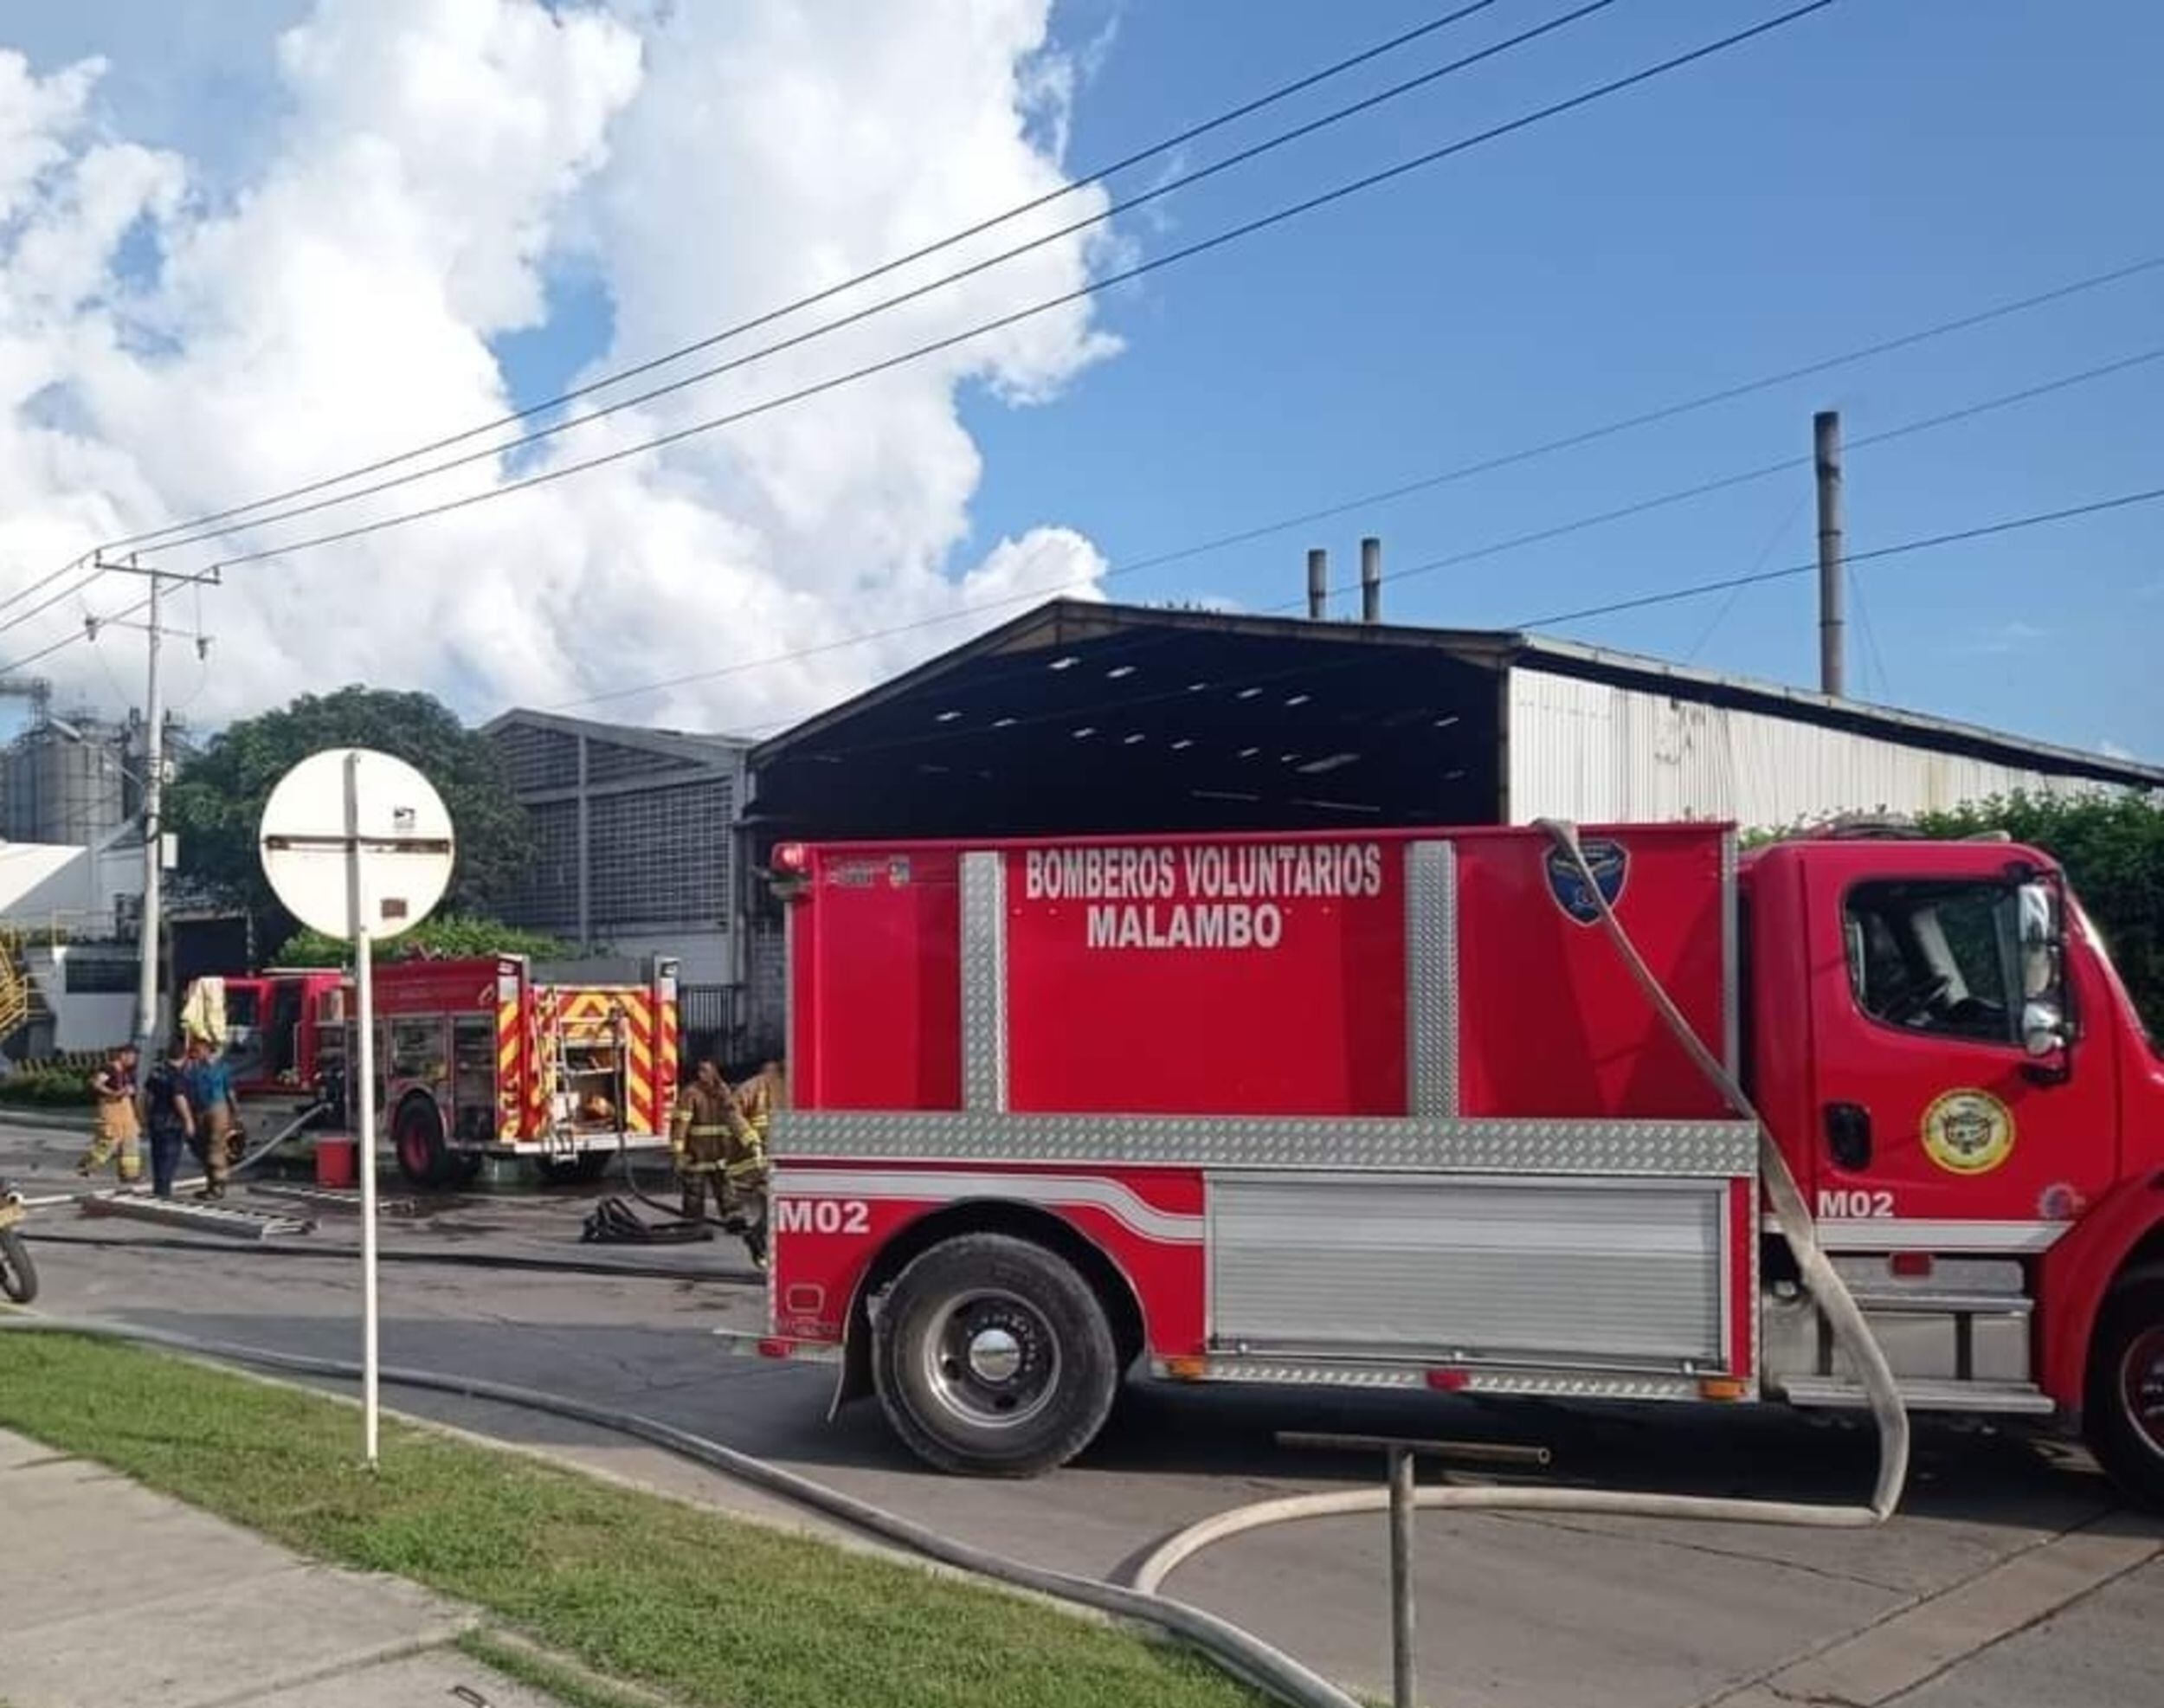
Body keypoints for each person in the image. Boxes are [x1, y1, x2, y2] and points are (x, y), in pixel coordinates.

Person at [670, 1060, 766, 1267]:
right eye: (700, 1071)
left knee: (726, 1190)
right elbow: (681, 1123)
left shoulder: (724, 1092)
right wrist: (678, 1152)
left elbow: (733, 1117)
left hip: (720, 1153)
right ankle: (693, 1223)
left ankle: (734, 1220)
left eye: (706, 1071)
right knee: (694, 1190)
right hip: (697, 1153)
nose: (703, 1075)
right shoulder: (690, 1093)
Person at [76, 1044, 143, 1186]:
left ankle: (130, 1175)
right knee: (108, 1143)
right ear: (123, 1055)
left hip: (126, 1112)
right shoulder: (109, 1069)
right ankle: (86, 1165)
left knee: (130, 1143)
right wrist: (113, 1093)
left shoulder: (127, 1072)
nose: (134, 1061)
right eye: (132, 1057)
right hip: (112, 1109)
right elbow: (96, 1083)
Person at [141, 1040, 196, 1201]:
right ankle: (164, 1192)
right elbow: (179, 1098)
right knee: (170, 1157)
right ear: (184, 1056)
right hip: (171, 1122)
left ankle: (159, 1188)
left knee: (157, 1156)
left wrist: (144, 1116)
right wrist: (189, 1121)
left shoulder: (157, 1072)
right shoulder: (176, 1075)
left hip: (156, 1119)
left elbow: (146, 1096)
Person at [184, 1038, 237, 1200]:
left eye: (198, 1051)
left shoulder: (222, 1068)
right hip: (199, 1110)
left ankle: (219, 1186)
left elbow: (229, 1091)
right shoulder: (192, 1070)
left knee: (215, 1147)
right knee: (201, 1147)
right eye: (193, 1052)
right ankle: (210, 1183)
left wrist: (234, 1113)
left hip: (217, 1108)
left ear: (208, 1050)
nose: (194, 1054)